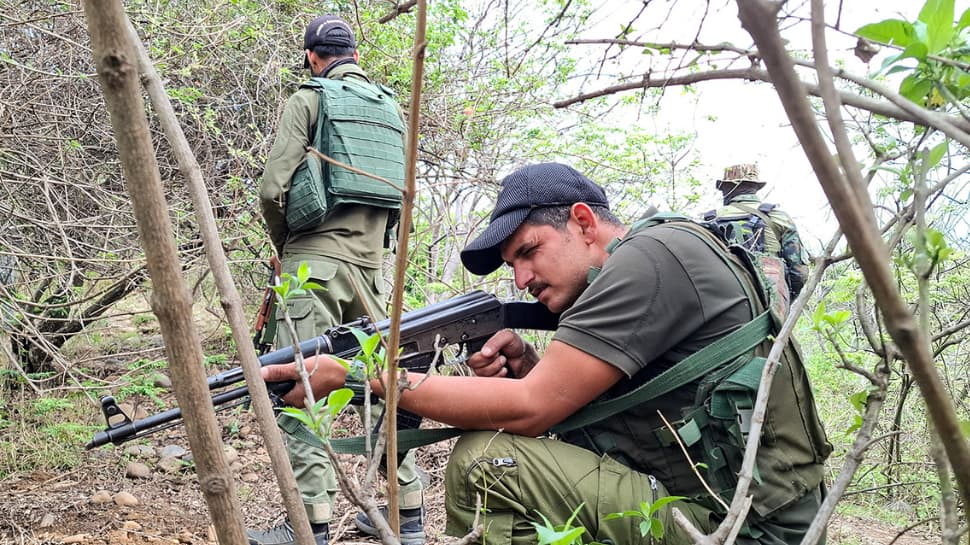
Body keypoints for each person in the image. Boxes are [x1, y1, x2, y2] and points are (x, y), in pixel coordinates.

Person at [262, 163, 831, 545]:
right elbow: (607, 406)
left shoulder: (650, 259)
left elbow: (531, 410)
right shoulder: (646, 264)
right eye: (512, 265)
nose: (522, 277)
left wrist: (367, 376)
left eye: (528, 251)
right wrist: (531, 370)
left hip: (744, 528)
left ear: (583, 222)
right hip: (723, 508)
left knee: (483, 462)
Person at [251, 14, 424, 545]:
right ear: (353, 52)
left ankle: (311, 523)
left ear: (311, 55)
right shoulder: (391, 107)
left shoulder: (310, 97)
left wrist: (288, 249)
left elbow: (271, 187)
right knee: (382, 389)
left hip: (314, 270)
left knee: (299, 388)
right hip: (373, 274)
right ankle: (407, 513)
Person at [703, 163, 810, 314]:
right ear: (754, 188)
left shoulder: (709, 220)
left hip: (721, 301)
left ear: (728, 189)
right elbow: (799, 273)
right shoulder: (777, 217)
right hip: (771, 299)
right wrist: (785, 301)